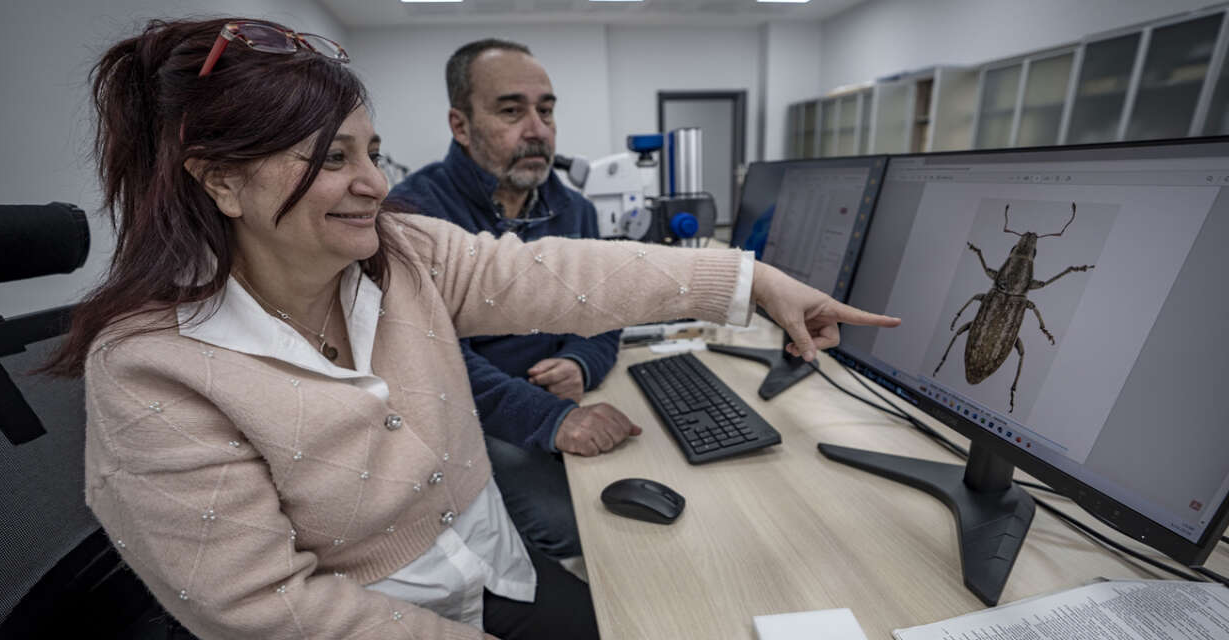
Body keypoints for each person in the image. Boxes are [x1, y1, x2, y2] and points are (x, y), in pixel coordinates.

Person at [50, 17, 900, 640]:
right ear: (221, 182)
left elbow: (565, 276)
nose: (375, 184)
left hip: (495, 573)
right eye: (334, 158)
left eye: (371, 152)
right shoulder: (151, 371)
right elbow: (269, 611)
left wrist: (751, 282)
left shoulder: (400, 255)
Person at [387, 38, 623, 562]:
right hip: (472, 418)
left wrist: (580, 362)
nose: (538, 130)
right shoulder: (412, 214)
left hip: (559, 400)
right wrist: (549, 418)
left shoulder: (575, 210)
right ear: (461, 125)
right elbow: (430, 360)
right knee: (574, 525)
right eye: (512, 111)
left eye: (546, 110)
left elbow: (604, 316)